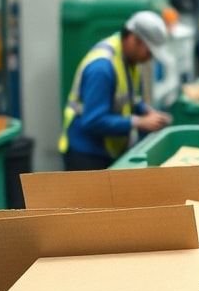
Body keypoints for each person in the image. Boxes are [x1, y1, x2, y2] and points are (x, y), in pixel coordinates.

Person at [59, 10, 171, 171]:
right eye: (149, 51)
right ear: (134, 39)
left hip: (105, 151)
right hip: (86, 155)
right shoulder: (102, 68)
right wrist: (139, 122)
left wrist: (147, 112)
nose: (150, 58)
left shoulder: (128, 61)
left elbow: (128, 98)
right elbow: (93, 120)